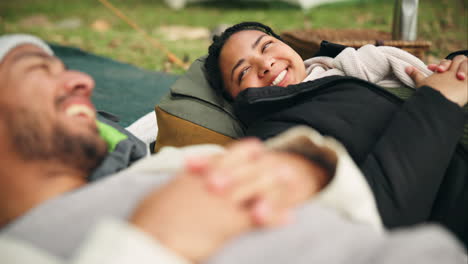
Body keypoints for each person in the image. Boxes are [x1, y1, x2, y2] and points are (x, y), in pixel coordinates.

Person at [0, 34, 466, 264]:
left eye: (268, 47)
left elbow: (358, 207)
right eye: (35, 70)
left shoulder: (165, 166)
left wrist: (312, 169)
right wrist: (145, 245)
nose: (82, 80)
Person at [204, 22, 468, 246]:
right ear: (234, 99)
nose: (265, 63)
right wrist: (438, 101)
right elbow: (371, 220)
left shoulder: (343, 68)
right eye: (244, 71)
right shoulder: (279, 137)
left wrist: (457, 64)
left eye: (266, 46)